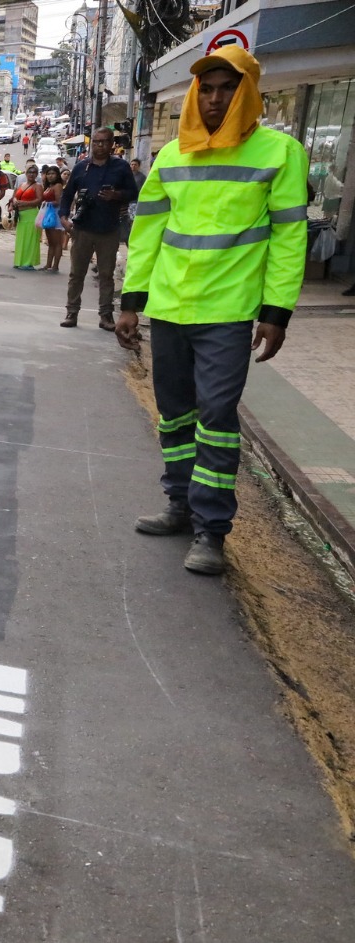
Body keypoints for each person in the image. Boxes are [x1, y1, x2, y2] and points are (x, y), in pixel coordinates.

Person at [116, 44, 309, 576]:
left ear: (248, 92)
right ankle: (179, 505)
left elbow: (290, 240)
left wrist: (277, 310)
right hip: (171, 308)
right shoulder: (174, 154)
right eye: (208, 88)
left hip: (229, 312)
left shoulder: (279, 154)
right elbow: (148, 231)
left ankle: (211, 530)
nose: (216, 98)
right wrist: (132, 303)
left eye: (228, 87)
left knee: (217, 421)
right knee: (175, 416)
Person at [59, 127, 137, 330]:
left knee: (106, 275)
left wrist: (116, 195)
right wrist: (64, 217)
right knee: (76, 273)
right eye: (96, 141)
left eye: (104, 142)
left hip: (108, 230)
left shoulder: (121, 167)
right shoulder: (81, 167)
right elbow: (67, 195)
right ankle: (71, 312)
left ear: (112, 144)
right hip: (82, 229)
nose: (99, 145)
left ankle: (106, 316)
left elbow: (133, 192)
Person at [12, 162, 42, 270]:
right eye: (29, 172)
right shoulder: (22, 185)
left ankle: (28, 262)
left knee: (30, 239)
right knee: (21, 239)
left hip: (31, 214)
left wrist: (25, 203)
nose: (31, 174)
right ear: (26, 173)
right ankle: (19, 261)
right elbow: (15, 195)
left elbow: (39, 200)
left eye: (34, 172)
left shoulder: (37, 186)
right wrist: (15, 201)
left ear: (37, 174)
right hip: (21, 215)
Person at [40, 164, 67, 271]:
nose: (50, 176)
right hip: (48, 214)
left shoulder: (57, 186)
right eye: (48, 174)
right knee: (50, 242)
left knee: (57, 242)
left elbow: (58, 202)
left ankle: (55, 265)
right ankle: (48, 264)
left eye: (53, 174)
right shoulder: (48, 187)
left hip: (54, 214)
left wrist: (46, 203)